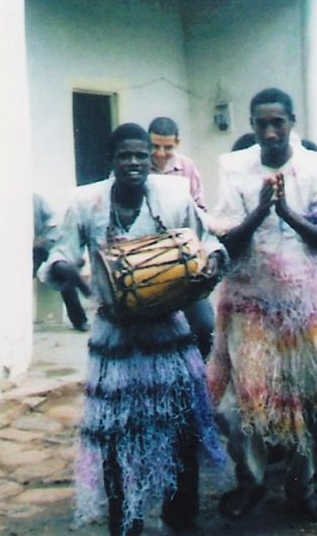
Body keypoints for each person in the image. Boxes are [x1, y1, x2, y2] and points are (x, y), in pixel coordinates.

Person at [39, 123, 225, 536]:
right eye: (125, 155)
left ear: (151, 158)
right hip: (115, 339)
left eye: (142, 154)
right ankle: (127, 520)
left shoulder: (174, 196)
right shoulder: (86, 201)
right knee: (118, 433)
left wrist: (211, 260)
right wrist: (69, 271)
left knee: (179, 427)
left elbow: (206, 240)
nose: (135, 162)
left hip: (168, 333)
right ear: (112, 160)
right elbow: (58, 256)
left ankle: (181, 516)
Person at [208, 87, 317, 525]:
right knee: (245, 400)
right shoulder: (234, 167)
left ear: (292, 122)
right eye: (261, 124)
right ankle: (250, 483)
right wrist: (259, 212)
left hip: (301, 304)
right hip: (248, 299)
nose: (270, 132)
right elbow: (226, 242)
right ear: (252, 125)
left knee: (304, 400)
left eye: (278, 123)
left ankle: (300, 489)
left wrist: (286, 212)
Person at [148, 117, 212, 356]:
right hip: (149, 262)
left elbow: (200, 210)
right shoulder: (138, 164)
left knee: (205, 326)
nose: (161, 153)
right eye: (155, 146)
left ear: (177, 143)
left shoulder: (187, 167)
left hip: (183, 258)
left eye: (168, 147)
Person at [34, 193, 89, 331]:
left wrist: (41, 240)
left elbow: (52, 222)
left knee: (63, 269)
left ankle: (79, 320)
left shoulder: (35, 198)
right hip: (24, 253)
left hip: (47, 244)